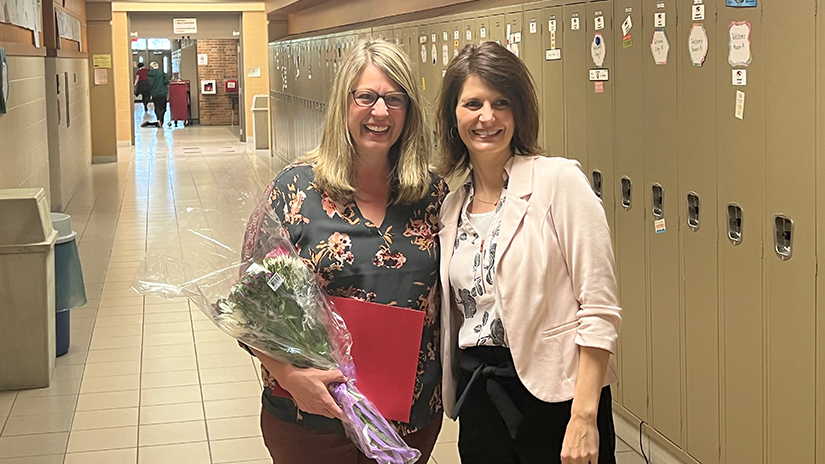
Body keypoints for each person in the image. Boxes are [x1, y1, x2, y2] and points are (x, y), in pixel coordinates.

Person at [241, 39, 447, 463]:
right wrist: (287, 374)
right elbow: (246, 307)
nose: (380, 112)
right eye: (366, 97)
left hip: (408, 419)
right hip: (312, 420)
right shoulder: (293, 191)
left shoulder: (432, 194)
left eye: (395, 99)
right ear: (343, 103)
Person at [434, 41, 621, 464]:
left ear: (519, 112)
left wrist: (585, 417)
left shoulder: (558, 183)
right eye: (473, 103)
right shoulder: (450, 208)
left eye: (502, 102)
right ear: (453, 116)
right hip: (481, 400)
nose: (487, 117)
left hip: (558, 400)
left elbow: (600, 307)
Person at [145, 62, 169, 127]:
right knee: (163, 108)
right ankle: (161, 120)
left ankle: (158, 119)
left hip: (154, 93)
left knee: (157, 107)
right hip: (162, 92)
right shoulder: (161, 72)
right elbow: (166, 81)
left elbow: (149, 84)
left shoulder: (149, 74)